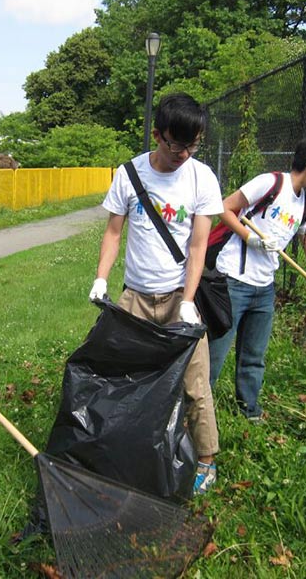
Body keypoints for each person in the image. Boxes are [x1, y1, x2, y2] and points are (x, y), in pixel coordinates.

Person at [89, 93, 224, 495]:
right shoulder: (129, 174)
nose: (184, 153)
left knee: (196, 383)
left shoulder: (202, 178)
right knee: (122, 378)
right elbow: (114, 232)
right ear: (157, 135)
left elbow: (199, 246)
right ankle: (123, 449)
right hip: (134, 299)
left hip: (179, 298)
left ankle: (206, 460)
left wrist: (187, 300)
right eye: (176, 144)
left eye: (193, 144)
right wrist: (101, 277)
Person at [208, 134, 306, 422]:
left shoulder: (304, 207)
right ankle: (196, 412)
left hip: (264, 288)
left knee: (254, 355)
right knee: (215, 353)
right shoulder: (271, 183)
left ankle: (249, 410)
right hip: (234, 281)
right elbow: (223, 207)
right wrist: (249, 237)